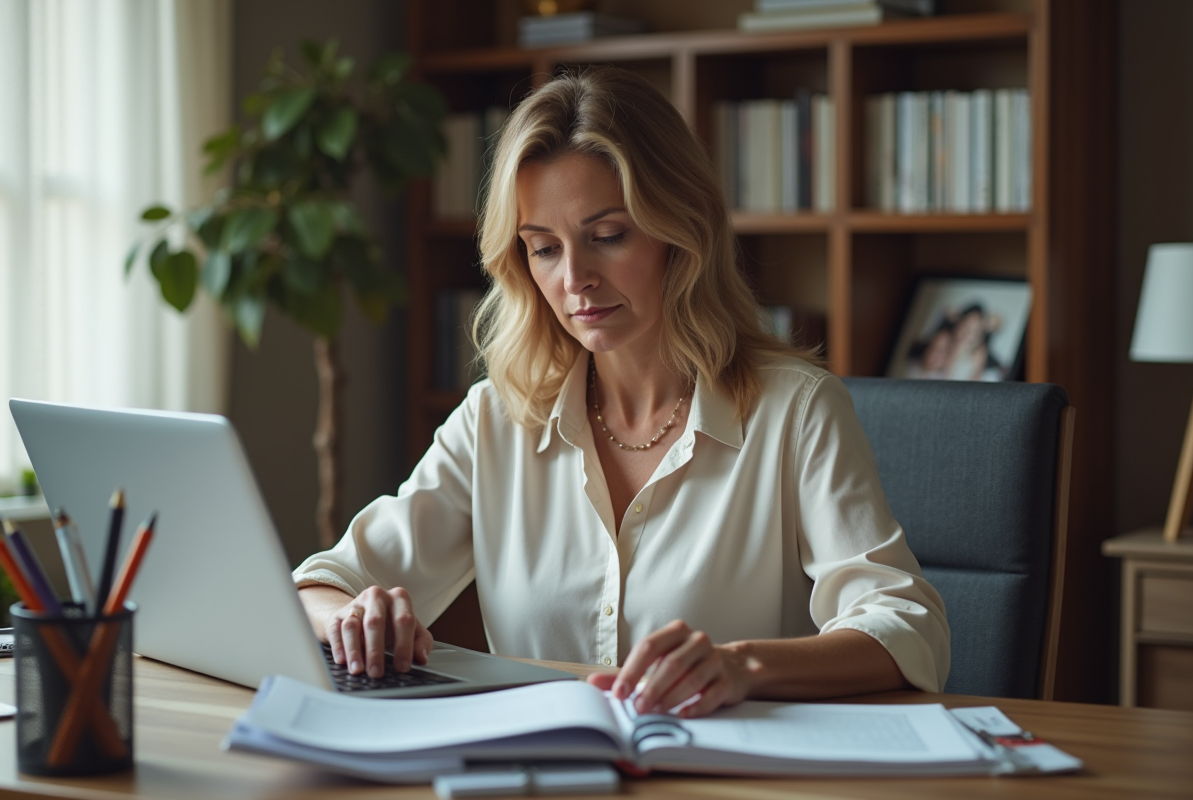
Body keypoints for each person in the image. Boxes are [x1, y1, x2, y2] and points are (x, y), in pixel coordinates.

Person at [293, 67, 949, 718]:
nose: (575, 278)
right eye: (544, 248)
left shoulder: (797, 411)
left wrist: (741, 666)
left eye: (607, 237)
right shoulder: (497, 418)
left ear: (680, 233)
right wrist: (351, 615)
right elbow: (316, 585)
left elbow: (907, 627)